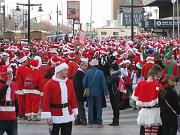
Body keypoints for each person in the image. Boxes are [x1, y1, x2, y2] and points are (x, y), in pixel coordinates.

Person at [42, 62, 78, 135]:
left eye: (67, 70)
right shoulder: (50, 84)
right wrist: (47, 116)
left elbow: (73, 98)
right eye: (65, 70)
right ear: (59, 71)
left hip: (67, 113)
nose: (67, 72)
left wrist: (74, 111)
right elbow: (46, 101)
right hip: (54, 115)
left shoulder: (69, 82)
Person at [131, 64, 164, 135]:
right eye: (157, 75)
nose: (157, 77)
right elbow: (162, 97)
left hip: (144, 111)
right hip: (155, 111)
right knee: (154, 132)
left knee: (147, 132)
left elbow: (135, 96)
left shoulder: (140, 84)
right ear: (155, 74)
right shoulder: (157, 84)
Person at [83, 59, 109, 128]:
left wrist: (86, 87)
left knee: (90, 108)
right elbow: (103, 84)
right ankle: (99, 123)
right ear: (97, 65)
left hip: (90, 92)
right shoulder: (100, 72)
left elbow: (84, 83)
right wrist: (106, 93)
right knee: (99, 108)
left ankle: (90, 123)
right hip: (99, 92)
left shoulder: (87, 72)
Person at [0, 65, 17, 135]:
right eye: (8, 73)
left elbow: (16, 100)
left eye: (11, 73)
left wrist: (16, 115)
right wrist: (6, 86)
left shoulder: (14, 84)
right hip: (1, 118)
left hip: (12, 118)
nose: (10, 75)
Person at [73, 58, 88, 126]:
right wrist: (84, 88)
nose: (86, 67)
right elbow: (77, 85)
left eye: (86, 66)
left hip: (80, 93)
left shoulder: (81, 73)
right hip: (79, 93)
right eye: (85, 66)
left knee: (80, 107)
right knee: (81, 108)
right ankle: (84, 121)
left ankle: (77, 120)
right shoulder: (78, 73)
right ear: (81, 66)